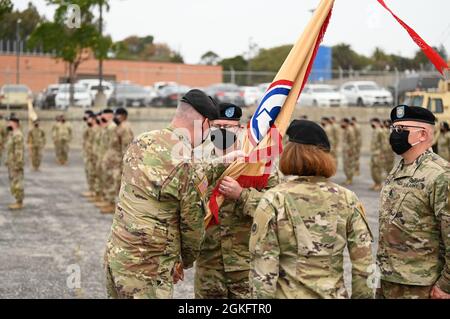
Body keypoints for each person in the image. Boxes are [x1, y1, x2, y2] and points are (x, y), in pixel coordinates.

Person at [104, 89, 218, 299]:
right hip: (148, 269)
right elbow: (192, 227)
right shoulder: (188, 163)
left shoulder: (141, 141)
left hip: (117, 254)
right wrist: (184, 260)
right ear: (203, 123)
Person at [246, 119, 374, 299]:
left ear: (289, 154)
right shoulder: (347, 198)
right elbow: (364, 264)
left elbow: (264, 268)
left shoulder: (274, 199)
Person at [194, 103, 279, 299]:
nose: (222, 131)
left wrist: (242, 194)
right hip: (209, 262)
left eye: (228, 127)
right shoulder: (199, 163)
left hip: (245, 262)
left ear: (240, 129)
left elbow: (276, 207)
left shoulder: (258, 165)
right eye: (218, 126)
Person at [377, 105, 450, 299]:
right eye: (393, 129)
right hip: (389, 279)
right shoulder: (399, 169)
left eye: (401, 130)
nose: (394, 134)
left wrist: (446, 285)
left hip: (421, 285)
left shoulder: (440, 175)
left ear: (423, 135)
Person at [5, 115, 25, 210]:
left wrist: (18, 164)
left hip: (16, 164)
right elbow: (10, 150)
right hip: (12, 163)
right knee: (14, 183)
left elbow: (19, 151)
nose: (8, 124)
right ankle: (17, 201)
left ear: (15, 123)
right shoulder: (12, 134)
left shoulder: (17, 135)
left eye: (10, 122)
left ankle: (19, 202)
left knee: (17, 182)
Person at [82, 110, 95, 197]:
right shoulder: (88, 127)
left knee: (93, 172)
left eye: (87, 117)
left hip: (93, 154)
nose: (86, 119)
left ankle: (94, 191)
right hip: (87, 153)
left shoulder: (94, 129)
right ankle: (91, 190)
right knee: (88, 171)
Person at [369, 118, 384, 191]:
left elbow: (383, 143)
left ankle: (379, 184)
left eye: (373, 122)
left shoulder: (380, 131)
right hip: (373, 153)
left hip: (378, 154)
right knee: (373, 169)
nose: (372, 124)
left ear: (377, 122)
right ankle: (375, 183)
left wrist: (382, 154)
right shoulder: (374, 131)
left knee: (378, 169)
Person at [341, 118, 356, 185]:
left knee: (349, 165)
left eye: (342, 122)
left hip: (349, 151)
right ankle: (347, 178)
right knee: (346, 165)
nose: (341, 124)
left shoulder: (350, 130)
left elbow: (352, 141)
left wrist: (350, 150)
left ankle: (350, 179)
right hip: (346, 150)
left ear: (346, 123)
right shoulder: (346, 130)